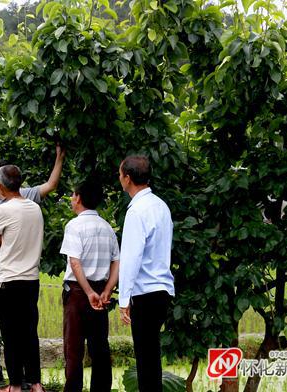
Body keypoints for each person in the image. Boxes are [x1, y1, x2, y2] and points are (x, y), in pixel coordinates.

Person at [0, 145, 65, 384]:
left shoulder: (24, 196)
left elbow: (50, 185)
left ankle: (22, 379)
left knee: (14, 326)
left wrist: (58, 159)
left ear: (4, 178)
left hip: (10, 272)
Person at [0, 164, 45, 392]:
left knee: (10, 334)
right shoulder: (34, 208)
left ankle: (16, 386)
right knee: (30, 332)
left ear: (0, 184)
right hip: (31, 279)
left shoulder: (4, 210)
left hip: (9, 280)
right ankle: (36, 383)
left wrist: (5, 240)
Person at [118, 156, 175, 392]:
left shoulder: (136, 211)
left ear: (128, 178)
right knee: (152, 357)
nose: (119, 179)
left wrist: (123, 300)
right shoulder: (161, 206)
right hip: (162, 290)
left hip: (145, 293)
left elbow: (131, 258)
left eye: (120, 175)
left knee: (146, 360)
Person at [59, 181, 120, 392]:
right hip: (101, 292)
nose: (71, 199)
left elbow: (74, 262)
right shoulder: (107, 228)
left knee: (74, 348)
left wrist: (88, 292)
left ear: (78, 198)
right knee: (100, 347)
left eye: (72, 195)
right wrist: (107, 290)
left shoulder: (74, 226)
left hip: (78, 291)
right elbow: (117, 261)